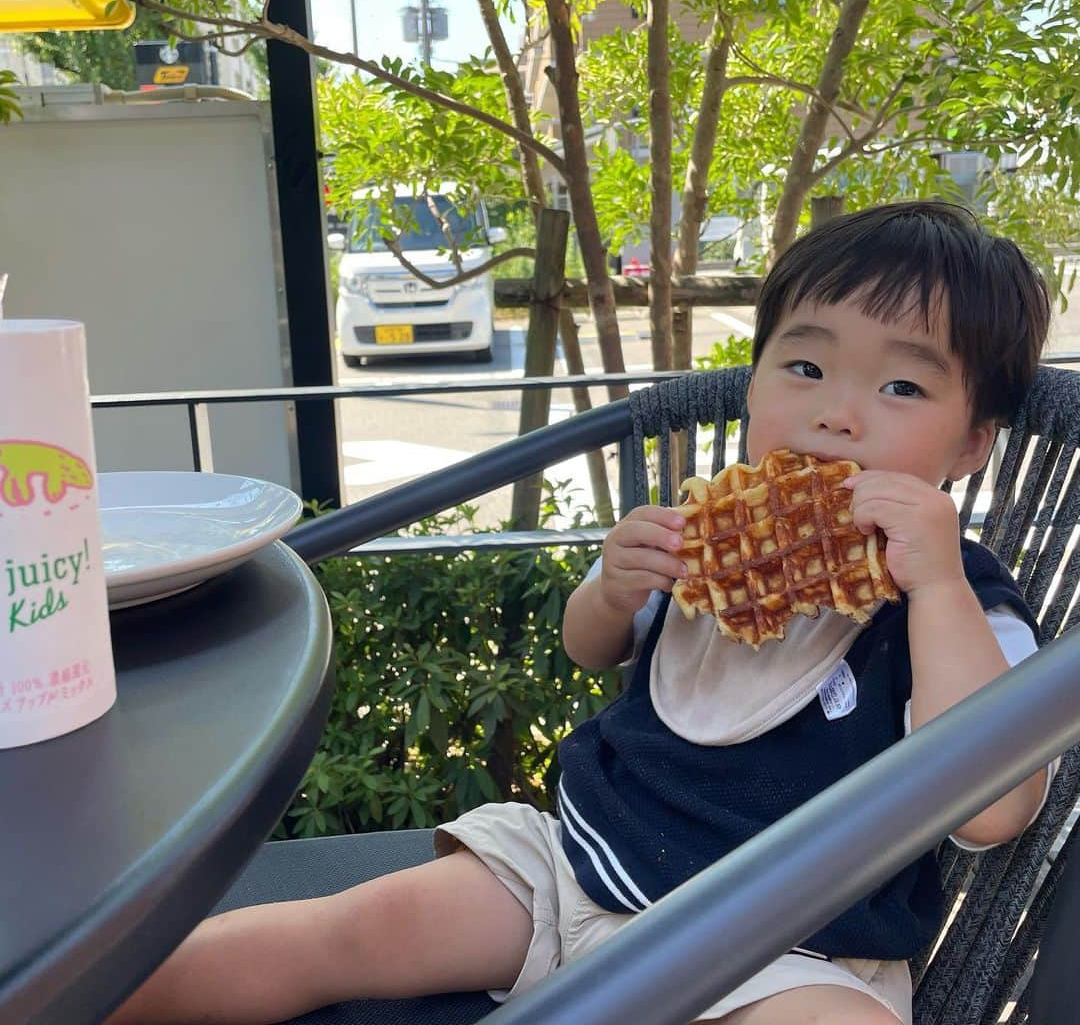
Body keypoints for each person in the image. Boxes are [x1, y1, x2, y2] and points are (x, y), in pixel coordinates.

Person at [108, 201, 1055, 1025]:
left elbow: (995, 813)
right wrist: (611, 590)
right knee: (341, 931)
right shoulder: (708, 545)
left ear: (972, 441)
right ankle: (84, 1002)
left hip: (789, 948)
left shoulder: (965, 601)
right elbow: (593, 647)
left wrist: (934, 589)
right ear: (754, 377)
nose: (838, 414)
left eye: (901, 386)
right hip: (574, 869)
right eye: (804, 366)